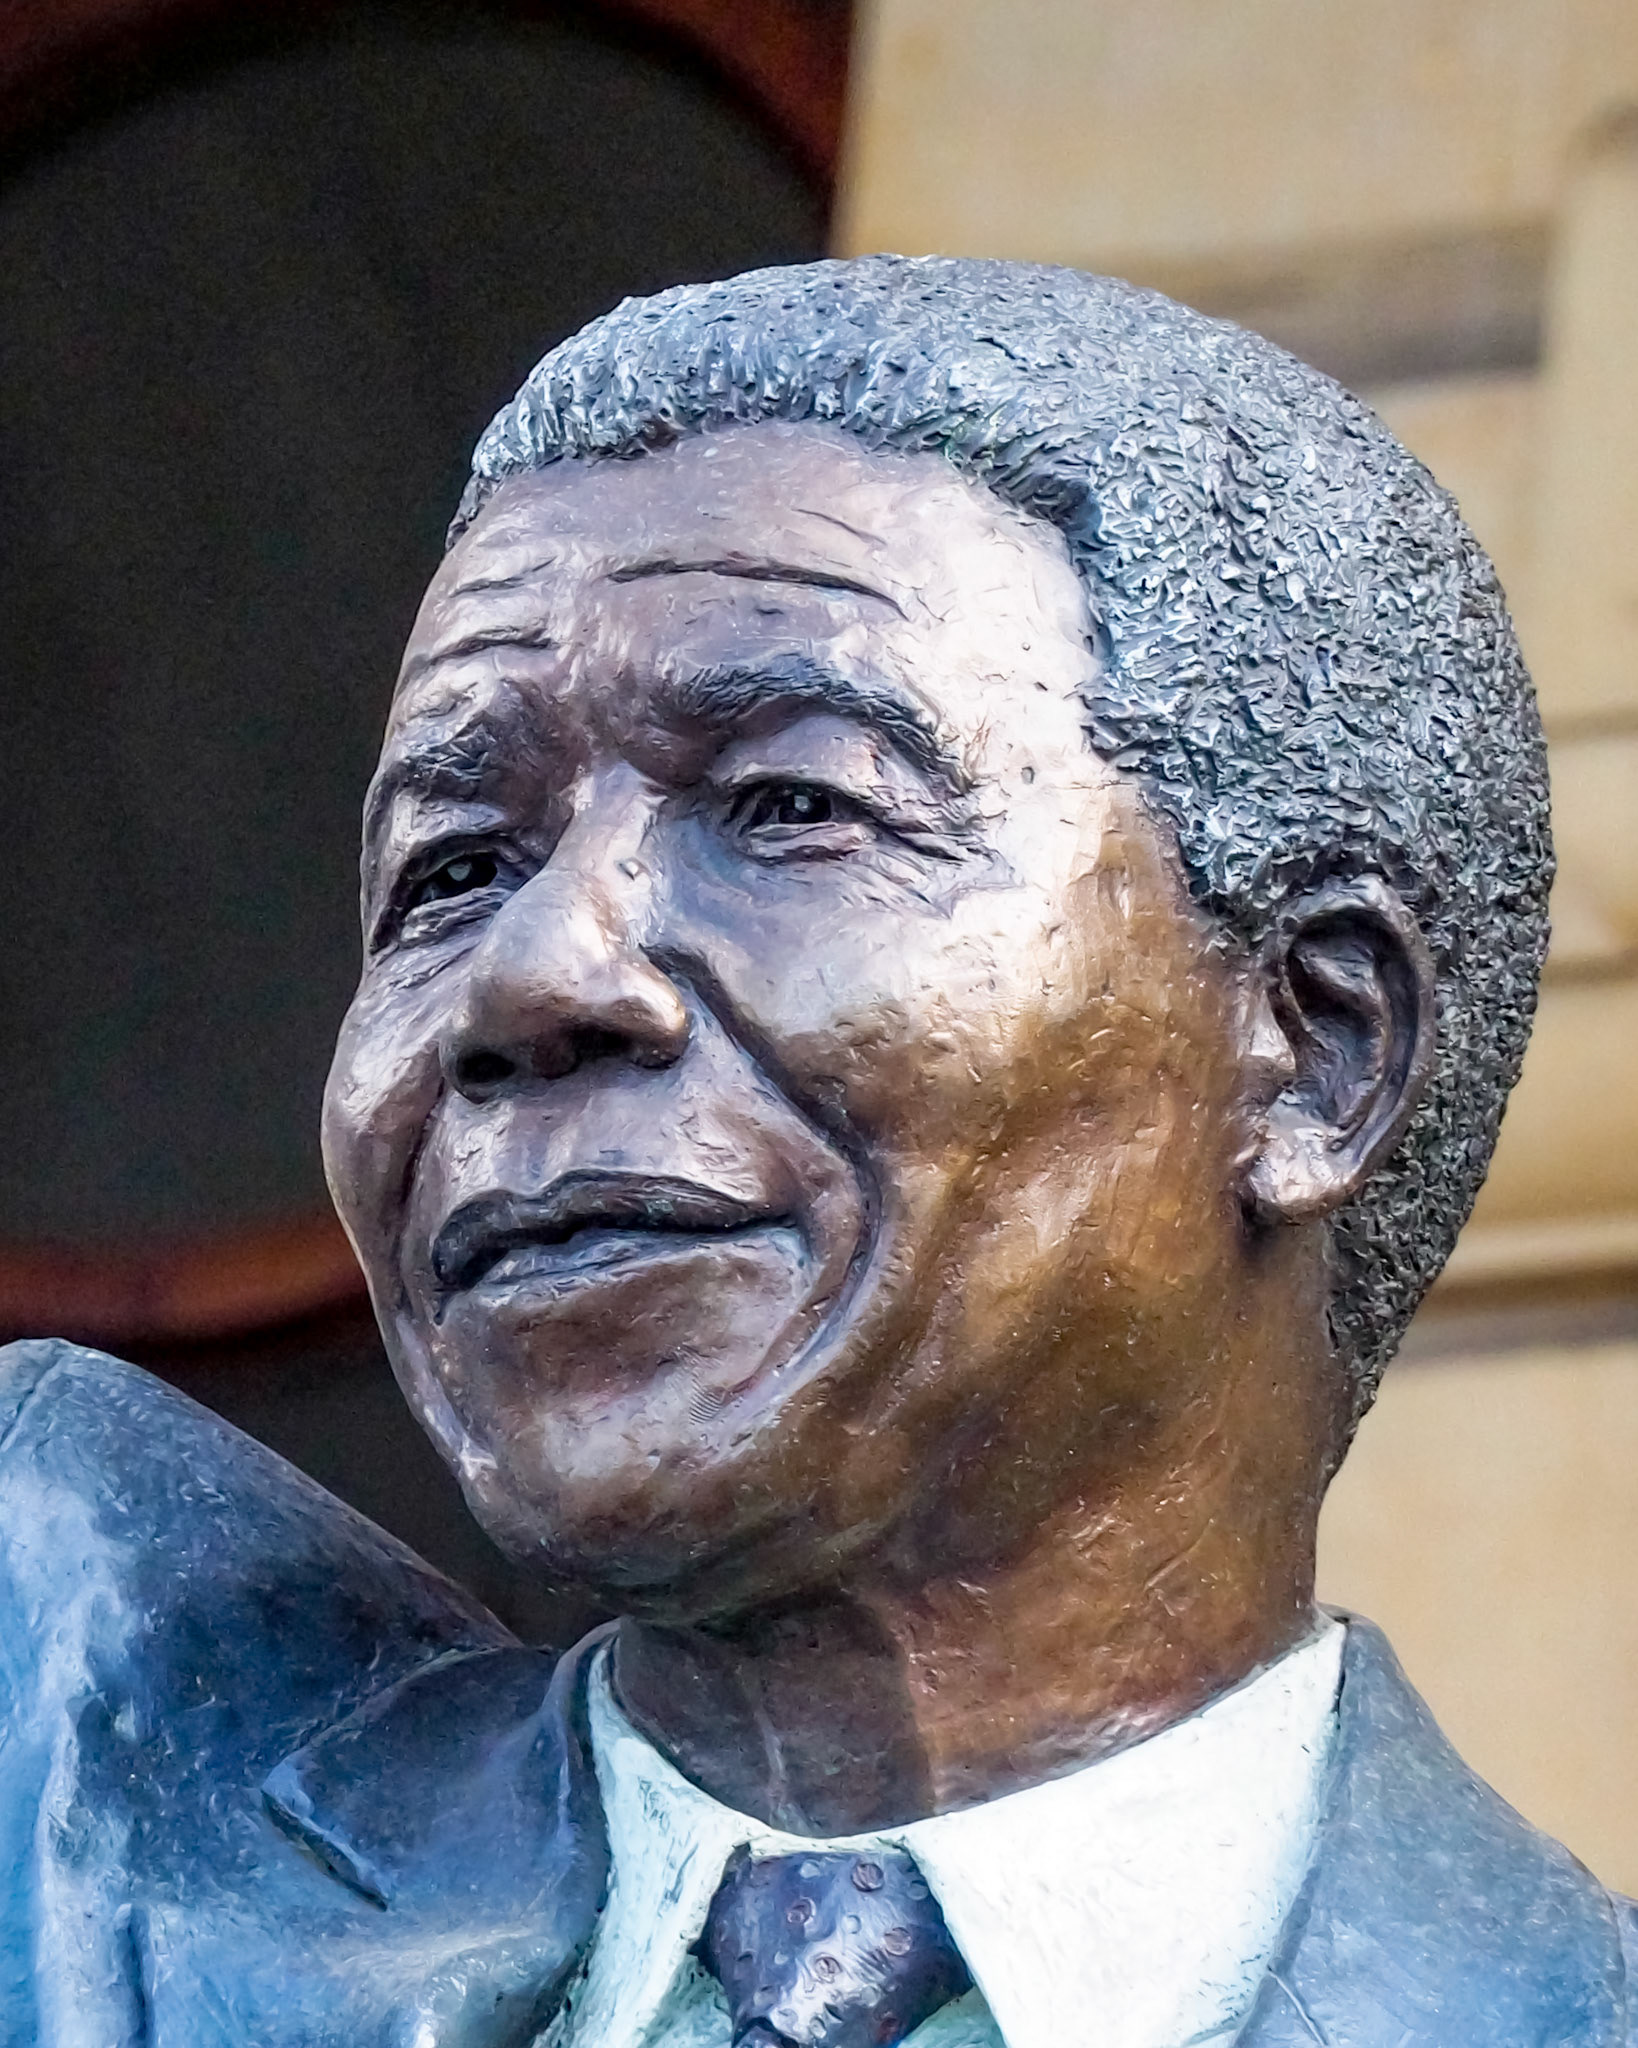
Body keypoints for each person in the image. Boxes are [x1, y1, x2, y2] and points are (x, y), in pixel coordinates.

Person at [2, 256, 1629, 2048]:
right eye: (453, 868)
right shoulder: (73, 1822)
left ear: (1316, 1048)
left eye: (794, 808)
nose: (535, 973)